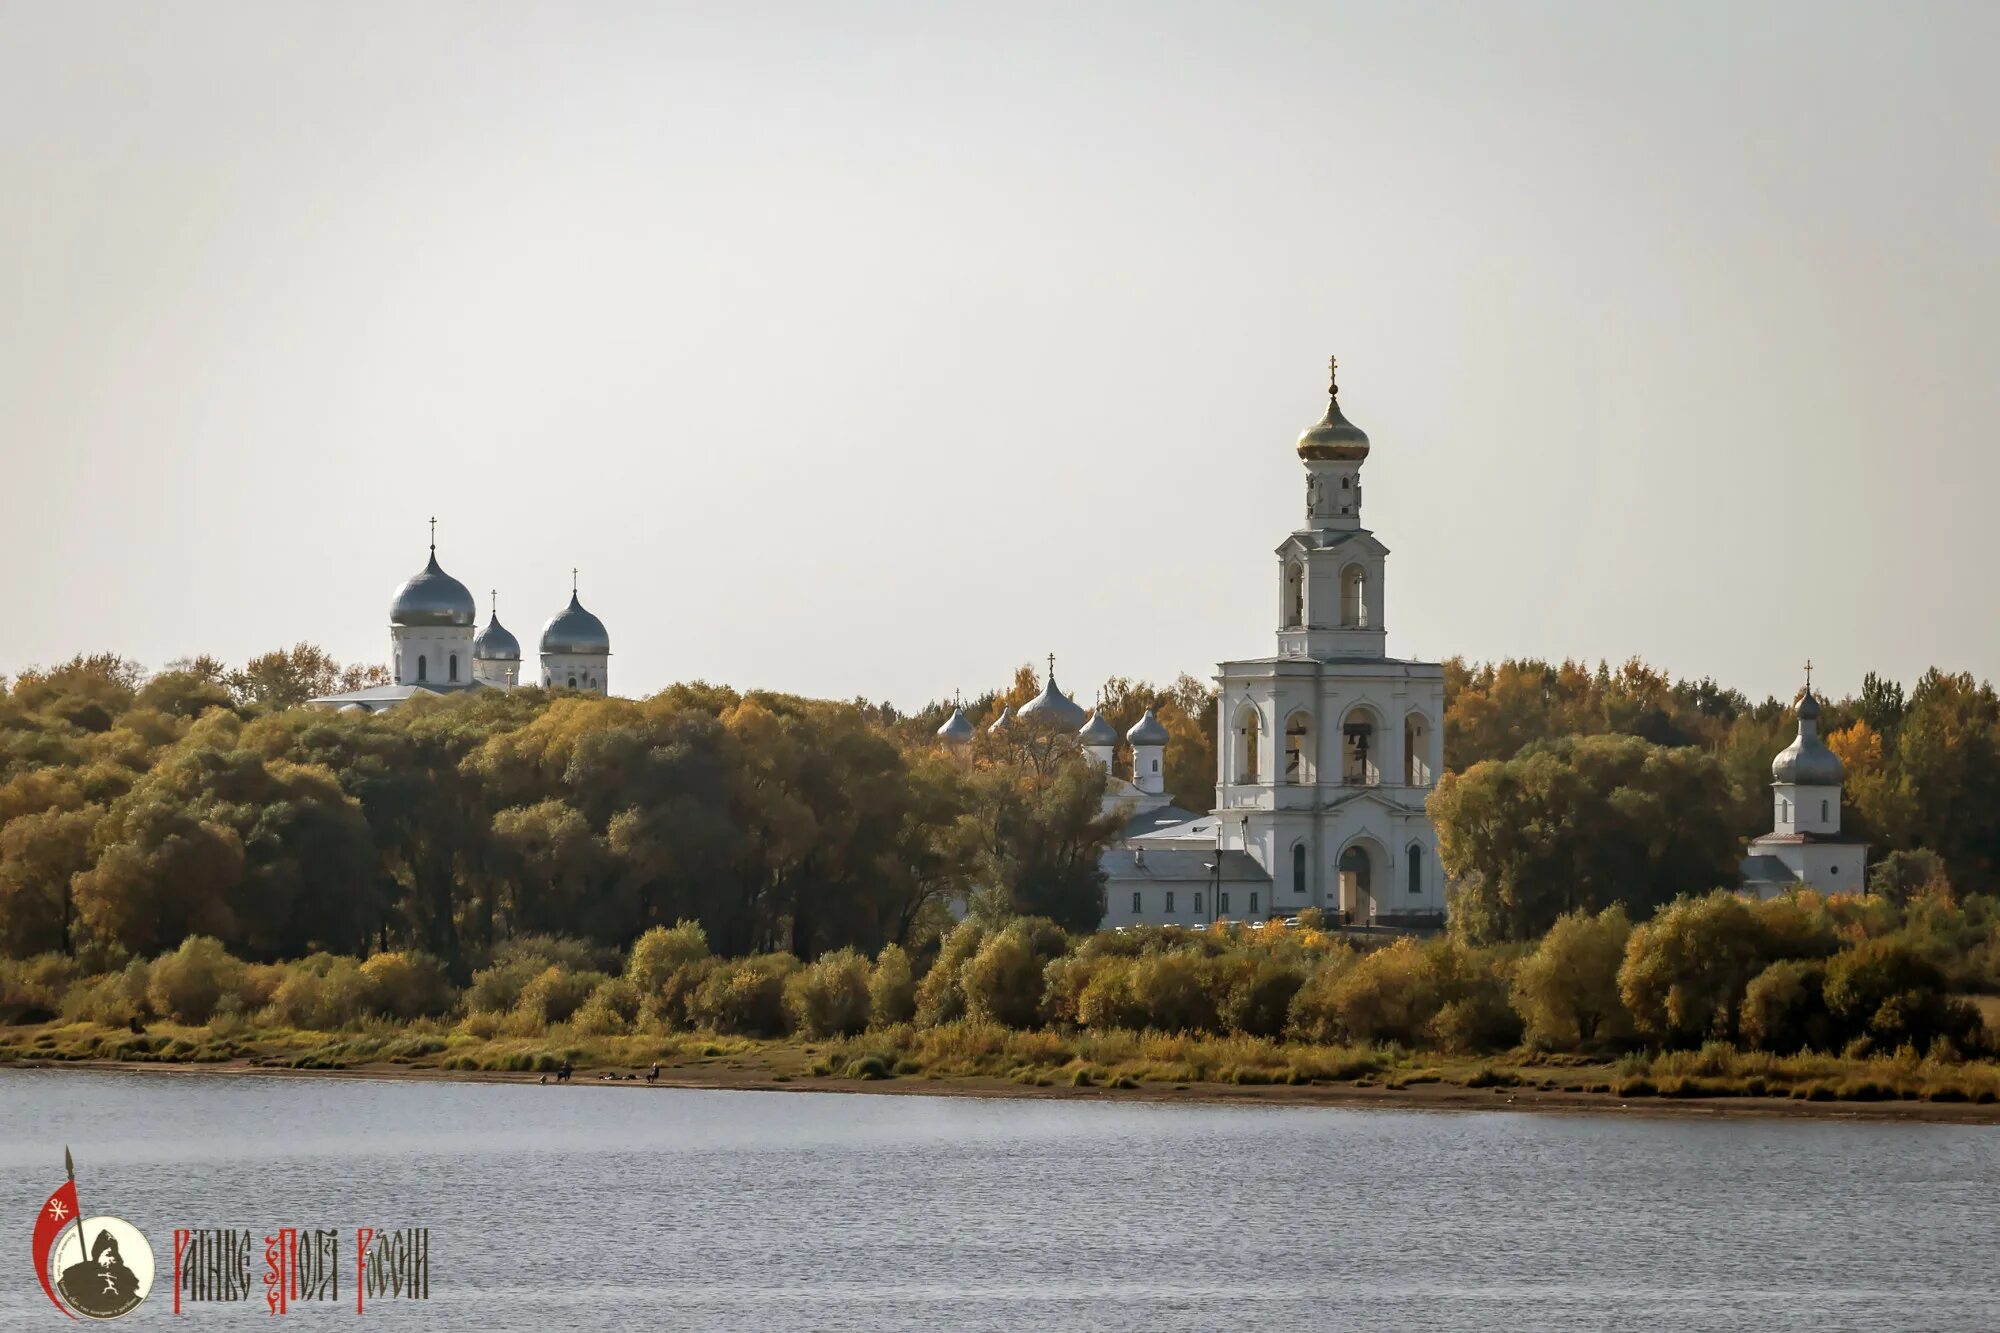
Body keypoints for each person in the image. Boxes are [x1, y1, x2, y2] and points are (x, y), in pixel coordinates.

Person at [58, 1228, 142, 1318]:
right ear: (97, 1254)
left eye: (115, 1254)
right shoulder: (78, 1270)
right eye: (109, 1254)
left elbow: (134, 1299)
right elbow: (63, 1291)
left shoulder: (124, 1273)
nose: (113, 1259)